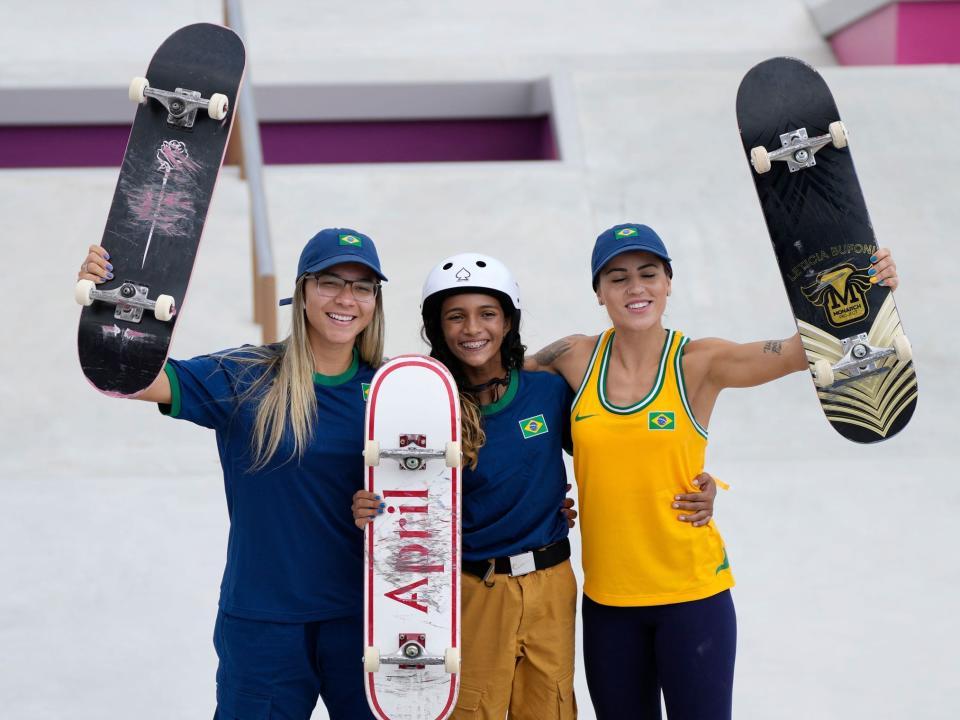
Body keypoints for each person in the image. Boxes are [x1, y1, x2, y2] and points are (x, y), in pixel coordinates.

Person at [524, 223, 900, 720]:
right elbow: (494, 385)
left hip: (692, 598)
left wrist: (873, 293)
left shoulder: (698, 362)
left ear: (668, 282)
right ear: (598, 292)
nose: (635, 288)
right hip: (608, 602)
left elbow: (798, 351)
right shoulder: (573, 357)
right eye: (617, 278)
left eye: (648, 273)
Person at [353, 253, 719, 720]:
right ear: (437, 327)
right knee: (473, 709)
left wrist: (693, 481)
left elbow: (612, 447)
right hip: (475, 588)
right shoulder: (425, 404)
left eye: (487, 314)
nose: (472, 329)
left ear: (508, 322)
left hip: (552, 585)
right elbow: (395, 491)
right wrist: (367, 505)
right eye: (455, 317)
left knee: (551, 708)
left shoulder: (547, 391)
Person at [78, 228, 388, 720]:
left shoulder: (398, 388)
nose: (346, 298)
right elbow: (128, 375)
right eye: (330, 282)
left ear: (375, 300)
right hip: (265, 623)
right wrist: (107, 303)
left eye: (362, 286)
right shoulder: (246, 375)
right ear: (302, 291)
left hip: (369, 619)